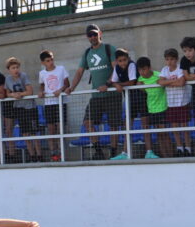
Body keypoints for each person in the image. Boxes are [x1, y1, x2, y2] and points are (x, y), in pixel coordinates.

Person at [66, 24, 118, 160]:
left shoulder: (108, 48)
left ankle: (113, 152)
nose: (93, 37)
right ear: (87, 37)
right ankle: (98, 151)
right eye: (90, 35)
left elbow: (116, 69)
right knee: (87, 122)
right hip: (96, 96)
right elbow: (79, 72)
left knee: (113, 125)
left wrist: (108, 84)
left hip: (112, 95)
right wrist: (71, 88)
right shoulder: (87, 53)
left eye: (95, 34)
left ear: (100, 33)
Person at [4, 57, 42, 162]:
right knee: (25, 133)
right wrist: (12, 95)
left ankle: (39, 155)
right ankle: (32, 156)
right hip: (19, 108)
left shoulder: (24, 76)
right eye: (13, 68)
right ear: (9, 70)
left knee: (34, 132)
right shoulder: (8, 79)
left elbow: (30, 91)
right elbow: (7, 93)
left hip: (30, 107)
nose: (16, 70)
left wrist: (20, 94)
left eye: (17, 67)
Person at [110, 48, 143, 160]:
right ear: (117, 61)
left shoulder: (132, 65)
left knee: (146, 125)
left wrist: (119, 84)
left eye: (125, 60)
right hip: (129, 99)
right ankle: (125, 152)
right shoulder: (117, 68)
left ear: (128, 59)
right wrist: (116, 85)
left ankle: (149, 151)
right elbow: (113, 81)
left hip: (141, 98)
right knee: (128, 125)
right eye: (120, 61)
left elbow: (132, 81)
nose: (123, 63)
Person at [38, 50, 70, 160]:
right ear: (43, 63)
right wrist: (41, 92)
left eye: (51, 59)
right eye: (48, 60)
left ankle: (62, 153)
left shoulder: (61, 69)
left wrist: (60, 91)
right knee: (51, 129)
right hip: (49, 104)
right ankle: (53, 153)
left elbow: (67, 84)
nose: (51, 62)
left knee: (60, 129)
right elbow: (42, 85)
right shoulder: (42, 73)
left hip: (60, 103)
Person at [159, 48, 191, 156]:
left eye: (172, 59)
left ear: (176, 59)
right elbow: (160, 81)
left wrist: (168, 82)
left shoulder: (180, 69)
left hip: (182, 102)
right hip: (171, 103)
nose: (169, 62)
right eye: (167, 59)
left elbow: (181, 82)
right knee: (175, 127)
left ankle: (188, 148)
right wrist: (173, 81)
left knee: (184, 126)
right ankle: (179, 147)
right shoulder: (164, 69)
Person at [137, 56, 169, 158]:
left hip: (163, 108)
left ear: (149, 68)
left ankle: (171, 157)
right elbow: (141, 88)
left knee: (164, 133)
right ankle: (164, 157)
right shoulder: (140, 79)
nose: (142, 72)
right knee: (159, 134)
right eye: (140, 70)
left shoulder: (158, 75)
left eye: (144, 69)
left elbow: (165, 84)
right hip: (152, 109)